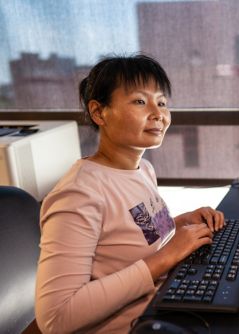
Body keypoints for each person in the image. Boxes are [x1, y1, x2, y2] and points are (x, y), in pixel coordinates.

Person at [35, 54, 225, 333]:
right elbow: (55, 318)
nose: (158, 113)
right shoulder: (79, 194)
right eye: (139, 101)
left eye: (161, 102)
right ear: (99, 113)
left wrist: (180, 223)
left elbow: (140, 235)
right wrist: (165, 259)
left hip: (160, 307)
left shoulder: (143, 169)